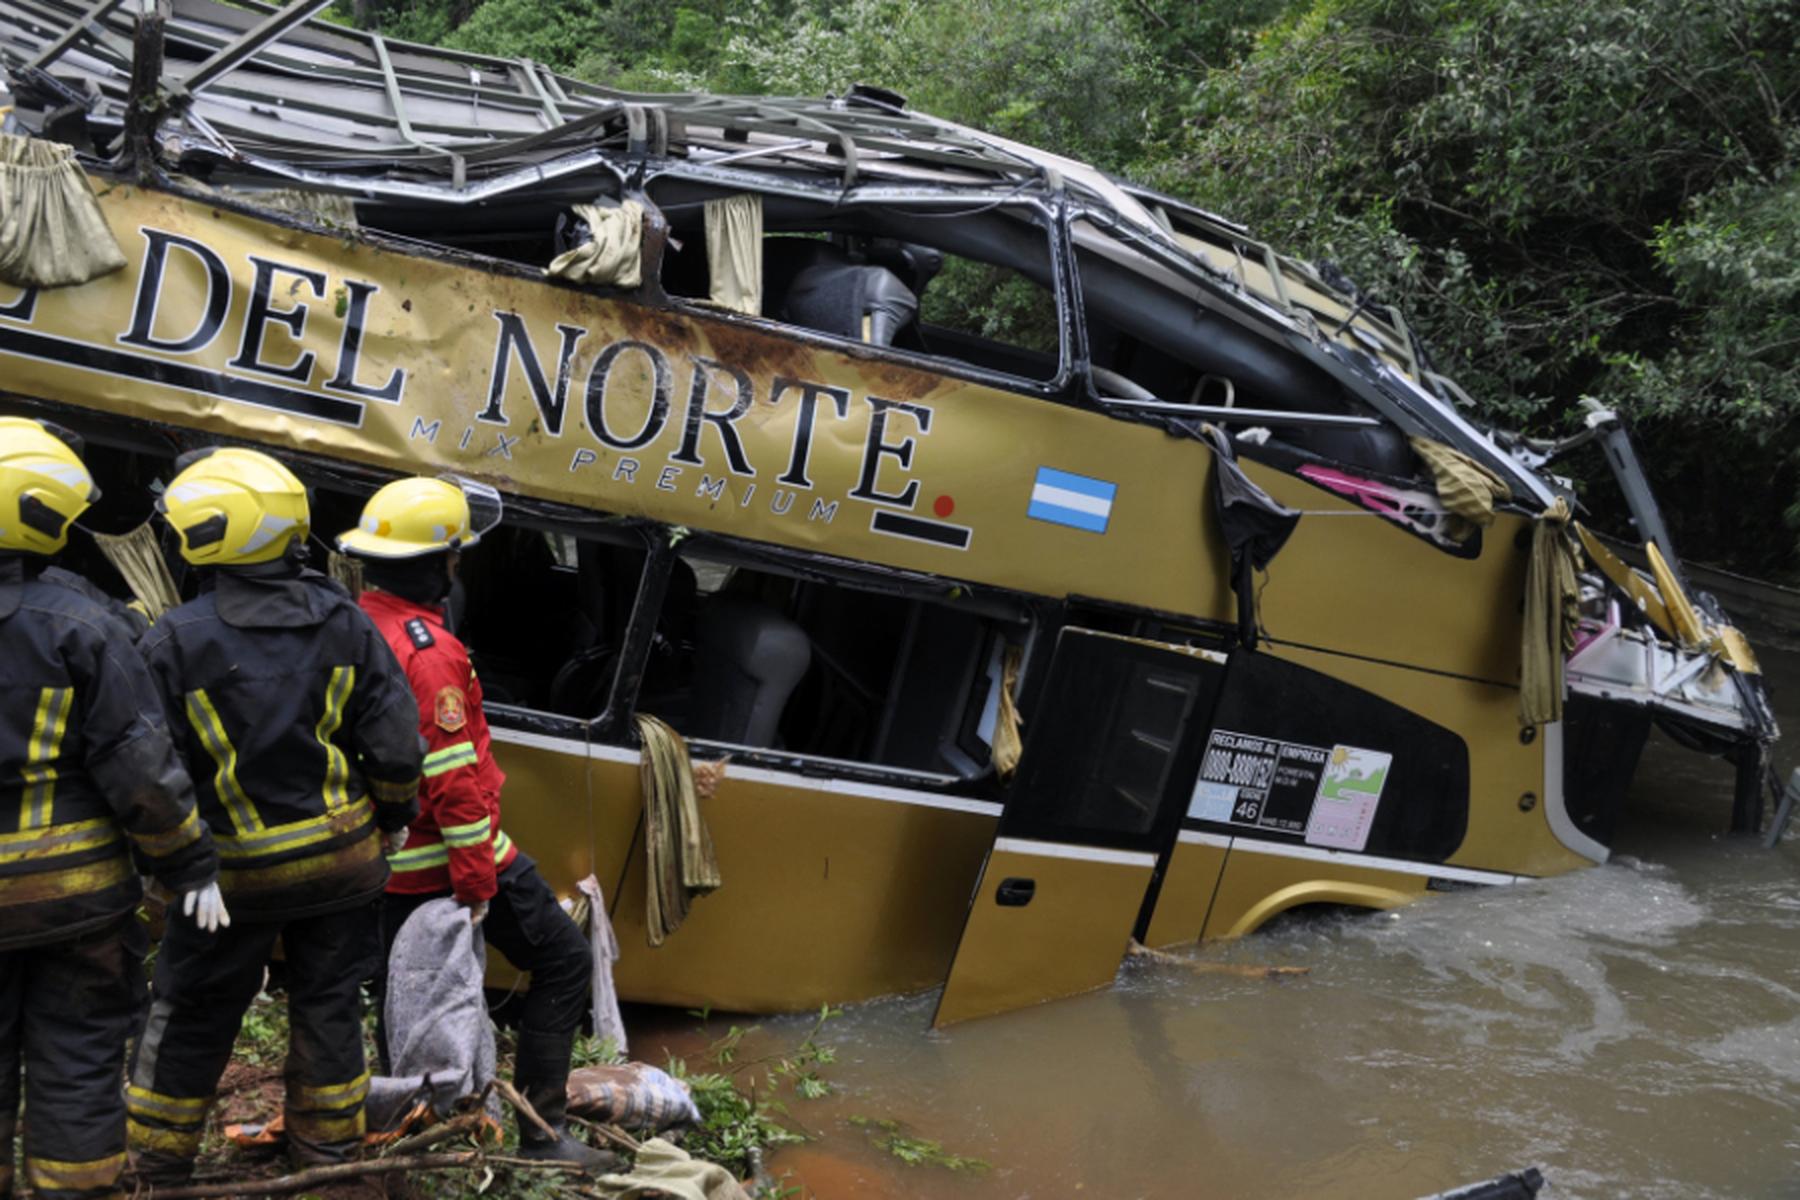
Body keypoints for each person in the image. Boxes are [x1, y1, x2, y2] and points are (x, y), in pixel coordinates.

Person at [126, 447, 423, 1184]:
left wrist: (170, 864)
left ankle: (158, 1169)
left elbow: (151, 772)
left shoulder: (174, 641)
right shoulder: (347, 625)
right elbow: (393, 748)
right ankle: (327, 1159)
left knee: (193, 1011)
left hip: (230, 878)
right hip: (340, 866)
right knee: (328, 1008)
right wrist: (391, 818)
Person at [338, 477, 607, 1170]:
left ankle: (405, 1130)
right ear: (439, 564)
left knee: (403, 995)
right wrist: (478, 882)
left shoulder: (356, 623)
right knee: (563, 960)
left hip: (381, 864)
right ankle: (543, 1138)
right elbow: (453, 780)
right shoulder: (430, 653)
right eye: (456, 554)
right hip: (444, 861)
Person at [0, 417, 221, 1200]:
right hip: (78, 908)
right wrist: (189, 863)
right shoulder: (85, 624)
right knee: (78, 1057)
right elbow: (142, 772)